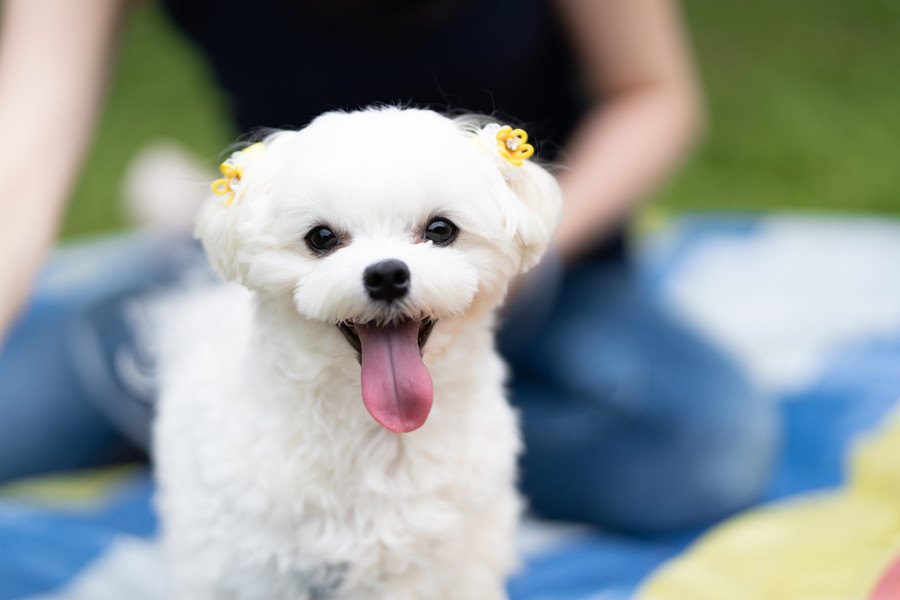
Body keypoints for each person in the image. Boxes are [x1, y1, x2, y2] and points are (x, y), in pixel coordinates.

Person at [0, 0, 778, 535]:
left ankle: (279, 448)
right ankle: (197, 351)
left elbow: (655, 93)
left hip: (544, 262)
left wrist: (530, 240)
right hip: (291, 292)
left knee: (707, 449)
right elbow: (22, 151)